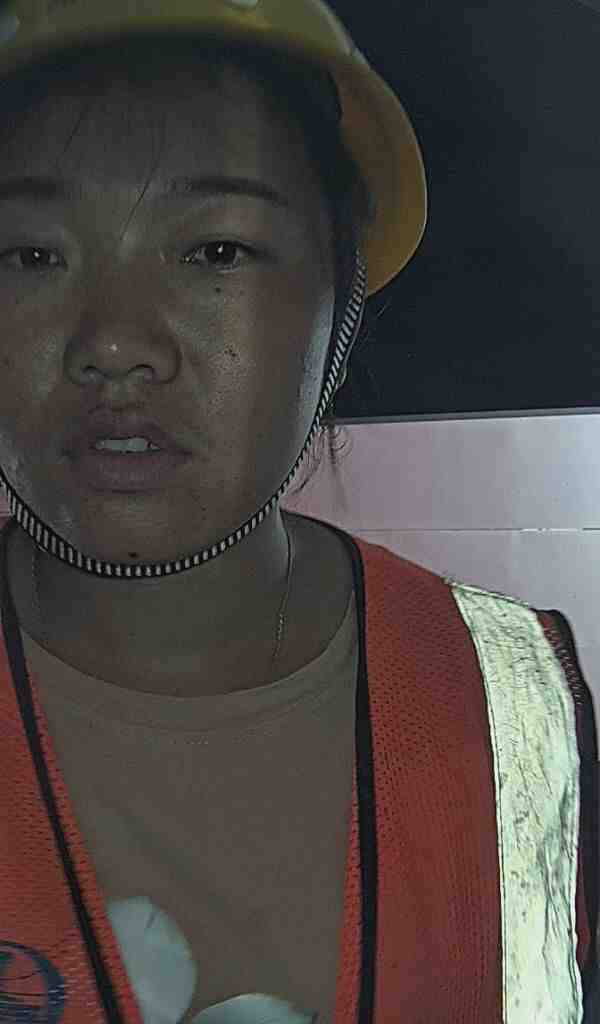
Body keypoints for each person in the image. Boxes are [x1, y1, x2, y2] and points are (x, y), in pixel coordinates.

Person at [0, 3, 597, 1023]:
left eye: (216, 250)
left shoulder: (515, 697)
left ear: (342, 300)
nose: (114, 344)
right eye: (29, 254)